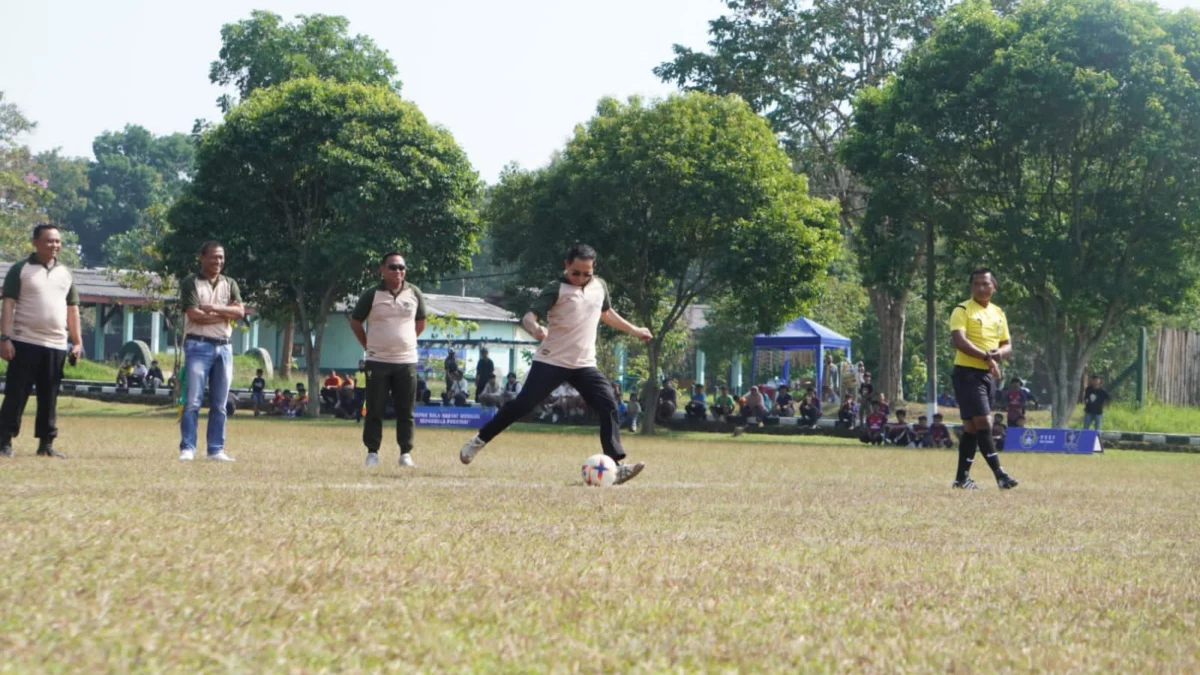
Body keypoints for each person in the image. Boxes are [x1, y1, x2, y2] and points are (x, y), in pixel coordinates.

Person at [458, 244, 652, 484]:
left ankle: (616, 465)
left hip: (584, 364)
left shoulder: (599, 287)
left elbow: (607, 313)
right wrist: (535, 328)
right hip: (552, 360)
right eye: (576, 272)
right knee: (522, 405)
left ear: (594, 270)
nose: (581, 278)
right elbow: (529, 317)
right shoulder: (555, 289)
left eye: (587, 273)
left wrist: (635, 330)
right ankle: (478, 441)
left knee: (607, 403)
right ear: (566, 265)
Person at [0, 224, 84, 459]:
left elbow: (73, 309)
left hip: (56, 344)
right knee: (16, 394)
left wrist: (76, 342)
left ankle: (46, 444)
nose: (54, 245)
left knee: (50, 396)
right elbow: (8, 305)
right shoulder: (21, 269)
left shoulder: (65, 273)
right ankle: (4, 441)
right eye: (49, 241)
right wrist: (4, 338)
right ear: (35, 243)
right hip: (24, 341)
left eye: (57, 241)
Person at [349, 252, 427, 467]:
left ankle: (405, 453)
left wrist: (405, 342)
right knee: (375, 408)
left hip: (406, 361)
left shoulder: (414, 293)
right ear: (381, 269)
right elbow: (355, 322)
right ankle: (372, 452)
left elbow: (420, 322)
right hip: (378, 360)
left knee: (406, 409)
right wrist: (369, 346)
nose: (398, 271)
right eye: (393, 267)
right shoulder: (372, 295)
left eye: (402, 267)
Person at [949, 267, 1018, 489]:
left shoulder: (998, 313)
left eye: (985, 283)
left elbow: (1007, 345)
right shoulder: (962, 310)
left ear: (994, 287)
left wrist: (998, 354)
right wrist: (987, 357)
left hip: (988, 376)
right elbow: (959, 341)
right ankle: (1000, 474)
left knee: (970, 428)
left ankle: (961, 480)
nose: (981, 287)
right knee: (984, 422)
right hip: (967, 373)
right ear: (971, 287)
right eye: (976, 283)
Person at [178, 241, 244, 462]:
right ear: (202, 258)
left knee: (220, 403)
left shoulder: (230, 283)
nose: (218, 261)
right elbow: (194, 315)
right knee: (193, 401)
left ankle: (215, 449)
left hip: (224, 346)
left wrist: (215, 309)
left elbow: (240, 311)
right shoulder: (191, 282)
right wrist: (226, 314)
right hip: (198, 344)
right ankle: (188, 447)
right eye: (214, 257)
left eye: (221, 257)